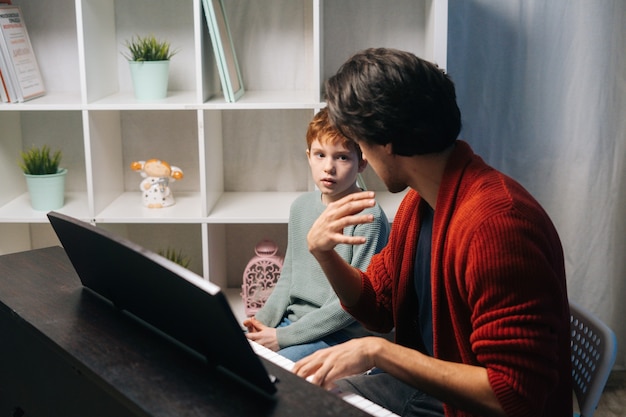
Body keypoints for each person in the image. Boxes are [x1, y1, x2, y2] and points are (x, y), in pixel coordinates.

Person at [292, 48, 572, 417]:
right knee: (307, 399)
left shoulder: (498, 226)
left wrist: (380, 352)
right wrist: (324, 254)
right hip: (426, 393)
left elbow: (515, 395)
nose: (361, 156)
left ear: (386, 140)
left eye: (358, 141)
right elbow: (378, 307)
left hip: (468, 408)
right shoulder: (420, 202)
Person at [243, 107, 390, 362]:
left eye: (342, 157)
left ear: (361, 162)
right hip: (297, 323)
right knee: (238, 354)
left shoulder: (369, 218)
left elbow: (354, 308)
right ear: (309, 156)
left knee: (276, 371)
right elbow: (289, 276)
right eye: (320, 155)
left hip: (342, 334)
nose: (328, 168)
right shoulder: (301, 207)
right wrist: (262, 323)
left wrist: (282, 338)